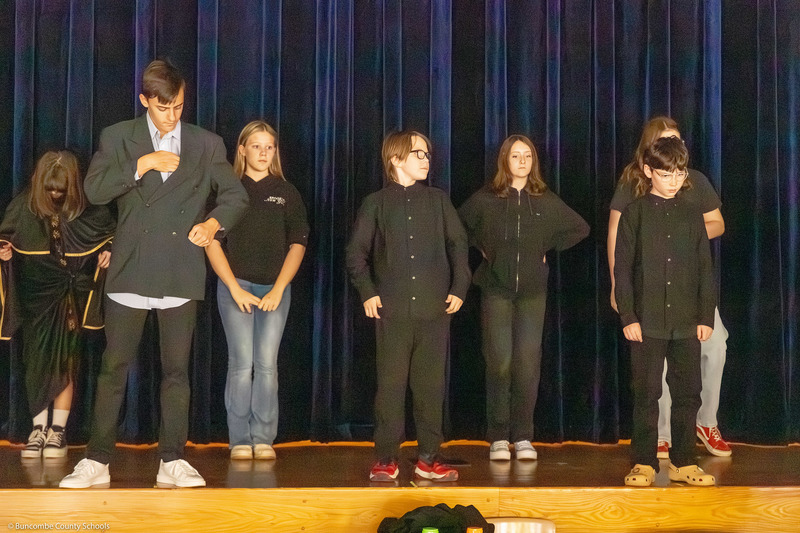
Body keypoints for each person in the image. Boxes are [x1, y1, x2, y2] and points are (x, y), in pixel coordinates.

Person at [59, 59, 248, 489]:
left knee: (176, 372)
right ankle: (97, 460)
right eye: (164, 108)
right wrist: (141, 165)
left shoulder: (206, 143)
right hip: (129, 268)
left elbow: (235, 196)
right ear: (145, 100)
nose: (173, 115)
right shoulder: (119, 137)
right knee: (113, 368)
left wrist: (213, 224)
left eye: (179, 106)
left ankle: (172, 460)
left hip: (180, 270)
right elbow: (94, 191)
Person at [346, 130, 470, 482]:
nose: (426, 160)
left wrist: (459, 286)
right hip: (394, 312)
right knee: (390, 387)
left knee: (431, 388)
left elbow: (459, 244)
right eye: (418, 153)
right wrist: (368, 291)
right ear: (396, 159)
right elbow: (356, 253)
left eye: (428, 154)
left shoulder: (438, 200)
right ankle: (386, 457)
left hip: (434, 311)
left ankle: (429, 458)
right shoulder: (376, 204)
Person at [459, 135, 589, 462]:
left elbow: (579, 228)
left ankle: (524, 436)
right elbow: (458, 227)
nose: (521, 161)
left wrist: (544, 248)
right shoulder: (487, 198)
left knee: (527, 364)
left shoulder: (543, 199)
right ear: (505, 160)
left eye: (527, 156)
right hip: (496, 289)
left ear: (533, 161)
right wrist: (483, 247)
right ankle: (499, 436)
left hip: (532, 292)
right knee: (500, 361)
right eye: (515, 156)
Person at [607, 116, 731, 459]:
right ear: (649, 159)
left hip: (686, 292)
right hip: (649, 291)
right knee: (652, 373)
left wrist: (678, 236)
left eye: (677, 145)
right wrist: (619, 289)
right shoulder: (633, 188)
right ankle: (657, 439)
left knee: (711, 349)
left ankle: (703, 426)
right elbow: (618, 237)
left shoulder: (694, 186)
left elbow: (716, 227)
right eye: (664, 145)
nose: (674, 173)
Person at [0, 151, 114, 460]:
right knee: (36, 361)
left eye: (61, 191)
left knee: (66, 362)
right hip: (35, 296)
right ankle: (37, 428)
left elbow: (107, 233)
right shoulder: (22, 206)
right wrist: (5, 253)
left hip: (70, 293)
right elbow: (7, 237)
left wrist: (109, 250)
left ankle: (58, 431)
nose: (54, 195)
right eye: (49, 190)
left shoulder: (88, 209)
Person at [205, 120, 308, 461]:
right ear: (242, 149)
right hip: (237, 289)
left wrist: (279, 288)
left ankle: (263, 437)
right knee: (241, 364)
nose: (263, 153)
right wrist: (234, 288)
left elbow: (297, 244)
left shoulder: (287, 192)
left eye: (269, 147)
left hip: (273, 291)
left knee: (266, 365)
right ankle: (239, 439)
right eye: (256, 146)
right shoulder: (230, 191)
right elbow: (212, 243)